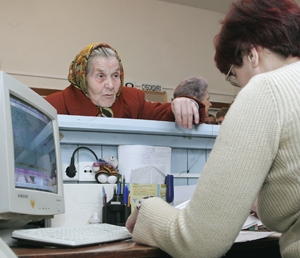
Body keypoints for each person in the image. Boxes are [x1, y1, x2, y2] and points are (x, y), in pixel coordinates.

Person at [125, 0, 300, 257]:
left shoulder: (266, 89)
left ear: (252, 54)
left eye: (233, 73)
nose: (239, 86)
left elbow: (199, 242)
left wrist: (147, 210)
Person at [45, 42, 206, 129]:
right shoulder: (52, 106)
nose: (110, 85)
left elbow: (163, 115)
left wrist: (183, 103)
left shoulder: (132, 98)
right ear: (82, 78)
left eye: (115, 75)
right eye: (100, 76)